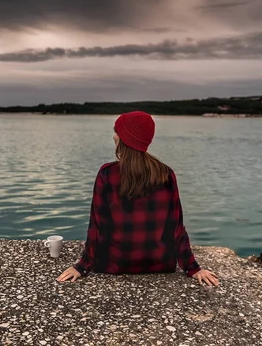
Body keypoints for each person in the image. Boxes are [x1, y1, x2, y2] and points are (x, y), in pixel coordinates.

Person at [58, 111, 219, 286]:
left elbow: (97, 226)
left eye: (117, 132)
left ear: (125, 138)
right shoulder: (166, 174)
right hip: (159, 264)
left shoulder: (107, 174)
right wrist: (192, 268)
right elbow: (176, 227)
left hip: (114, 264)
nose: (114, 136)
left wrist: (82, 266)